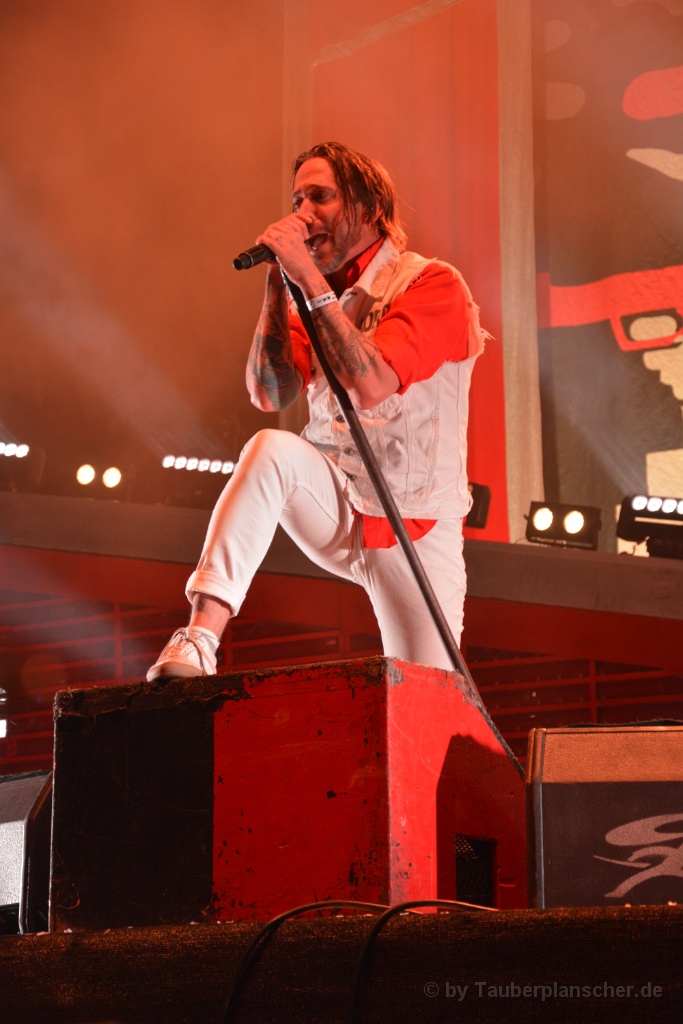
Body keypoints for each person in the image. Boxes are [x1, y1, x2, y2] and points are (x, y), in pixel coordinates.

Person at [147, 141, 487, 681]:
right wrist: (277, 282)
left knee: (432, 695)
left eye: (320, 197)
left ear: (371, 208)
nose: (303, 213)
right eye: (297, 200)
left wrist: (305, 277)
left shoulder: (432, 283)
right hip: (339, 503)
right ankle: (199, 639)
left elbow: (371, 384)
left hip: (415, 527)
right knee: (271, 450)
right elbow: (269, 395)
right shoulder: (312, 294)